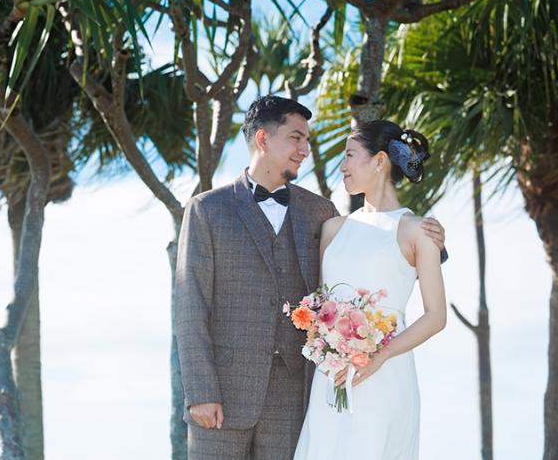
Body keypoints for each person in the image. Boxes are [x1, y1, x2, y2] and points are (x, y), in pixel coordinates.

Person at [175, 96, 446, 460]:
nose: (306, 150)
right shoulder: (207, 210)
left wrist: (435, 240)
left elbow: (382, 253)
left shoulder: (320, 212)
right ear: (262, 139)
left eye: (307, 140)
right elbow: (190, 306)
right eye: (296, 138)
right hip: (225, 394)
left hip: (299, 398)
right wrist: (200, 392)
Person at [292, 120, 447, 460]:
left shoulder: (418, 231)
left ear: (379, 161)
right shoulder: (333, 229)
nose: (342, 166)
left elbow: (436, 316)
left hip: (385, 376)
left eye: (350, 155)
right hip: (331, 377)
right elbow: (322, 303)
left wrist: (381, 356)